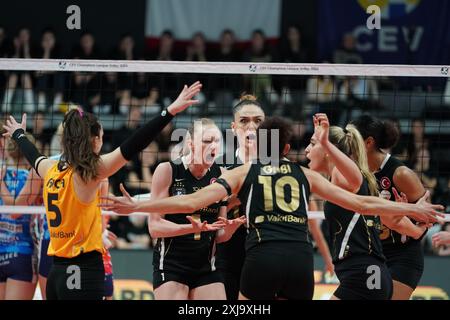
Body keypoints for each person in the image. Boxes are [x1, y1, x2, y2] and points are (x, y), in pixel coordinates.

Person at [100, 117, 443, 300]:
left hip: (262, 260)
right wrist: (413, 211)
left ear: (260, 144)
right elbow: (360, 200)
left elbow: (191, 201)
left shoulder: (244, 171)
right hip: (298, 263)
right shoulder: (304, 173)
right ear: (290, 147)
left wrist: (139, 206)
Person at [2, 81, 203, 300]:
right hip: (82, 270)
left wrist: (19, 134)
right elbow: (134, 143)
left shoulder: (49, 167)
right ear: (95, 140)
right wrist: (169, 111)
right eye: (102, 136)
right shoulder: (90, 172)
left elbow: (33, 156)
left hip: (56, 272)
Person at [148, 118, 244, 300]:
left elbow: (220, 234)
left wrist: (231, 227)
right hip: (171, 265)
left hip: (205, 266)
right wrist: (190, 228)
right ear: (191, 144)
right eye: (207, 141)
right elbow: (154, 227)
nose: (213, 146)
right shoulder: (168, 170)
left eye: (217, 141)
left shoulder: (221, 175)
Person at [305, 113, 393, 300]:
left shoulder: (341, 174)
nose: (306, 150)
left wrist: (325, 142)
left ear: (330, 150)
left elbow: (354, 179)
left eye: (312, 144)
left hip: (365, 276)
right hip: (366, 274)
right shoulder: (334, 181)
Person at [352, 114, 432, 300]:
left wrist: (401, 218)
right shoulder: (355, 171)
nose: (347, 144)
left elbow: (428, 217)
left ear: (368, 142)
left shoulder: (401, 174)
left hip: (402, 255)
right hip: (372, 254)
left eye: (352, 139)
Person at [215, 95, 265, 300]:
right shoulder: (219, 165)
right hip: (227, 255)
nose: (251, 126)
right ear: (234, 127)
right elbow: (211, 207)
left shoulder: (278, 166)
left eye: (258, 121)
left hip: (264, 255)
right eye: (244, 121)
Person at [0, 133, 40, 300]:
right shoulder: (35, 177)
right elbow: (17, 211)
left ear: (8, 151)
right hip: (23, 254)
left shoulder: (2, 174)